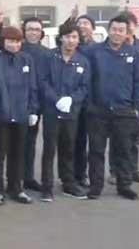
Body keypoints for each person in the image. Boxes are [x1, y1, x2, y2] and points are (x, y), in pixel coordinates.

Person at [83, 14, 139, 201]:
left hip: (124, 111)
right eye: (114, 29)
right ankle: (95, 187)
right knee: (96, 151)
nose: (117, 33)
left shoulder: (133, 53)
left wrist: (136, 105)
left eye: (121, 30)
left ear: (127, 33)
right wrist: (90, 104)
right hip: (98, 110)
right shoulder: (94, 52)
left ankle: (124, 185)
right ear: (108, 30)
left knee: (124, 150)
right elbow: (87, 79)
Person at [0, 26, 39, 206]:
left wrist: (33, 109)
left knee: (19, 152)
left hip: (22, 113)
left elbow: (32, 86)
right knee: (0, 153)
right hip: (2, 114)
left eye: (17, 41)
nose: (13, 45)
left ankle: (16, 188)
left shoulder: (27, 59)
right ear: (3, 42)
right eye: (10, 41)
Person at [39, 22, 90, 202]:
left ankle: (68, 183)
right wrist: (56, 99)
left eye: (74, 37)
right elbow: (43, 82)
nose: (71, 40)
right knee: (49, 149)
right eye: (67, 36)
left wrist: (71, 99)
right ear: (61, 38)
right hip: (52, 111)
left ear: (78, 40)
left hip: (71, 112)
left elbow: (84, 87)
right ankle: (46, 187)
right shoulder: (49, 57)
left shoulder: (83, 61)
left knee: (68, 148)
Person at [107, 11, 139, 185]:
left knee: (135, 137)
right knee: (118, 137)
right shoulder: (115, 47)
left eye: (130, 26)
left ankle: (133, 169)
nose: (126, 30)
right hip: (121, 101)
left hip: (138, 99)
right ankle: (115, 171)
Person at [18, 17, 50, 193]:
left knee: (30, 141)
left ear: (41, 33)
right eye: (30, 29)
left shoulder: (47, 54)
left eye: (37, 29)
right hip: (19, 102)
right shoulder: (17, 49)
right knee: (16, 142)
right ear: (24, 31)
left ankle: (28, 177)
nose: (33, 33)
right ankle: (15, 178)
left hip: (38, 103)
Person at [74, 14, 98, 187]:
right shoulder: (72, 47)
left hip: (93, 101)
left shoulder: (98, 49)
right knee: (77, 140)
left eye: (86, 23)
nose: (82, 26)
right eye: (79, 23)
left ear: (93, 28)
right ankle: (77, 175)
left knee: (95, 142)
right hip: (75, 101)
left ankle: (93, 175)